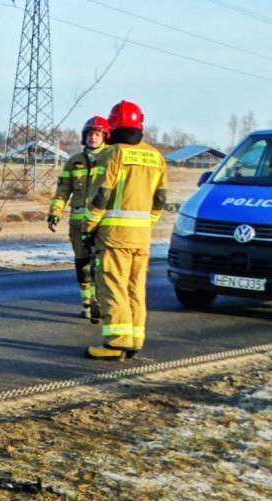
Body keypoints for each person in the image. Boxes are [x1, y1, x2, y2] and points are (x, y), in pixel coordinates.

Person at [83, 100, 168, 360]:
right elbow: (160, 200)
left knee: (113, 288)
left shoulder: (112, 153)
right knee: (135, 288)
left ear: (113, 126)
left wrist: (88, 227)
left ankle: (115, 344)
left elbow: (101, 196)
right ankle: (134, 340)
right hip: (141, 237)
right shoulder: (156, 156)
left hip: (114, 237)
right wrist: (145, 224)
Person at [48, 115, 111, 321]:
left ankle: (100, 303)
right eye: (90, 134)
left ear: (104, 137)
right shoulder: (73, 162)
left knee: (100, 266)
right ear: (84, 137)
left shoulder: (111, 159)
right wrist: (55, 211)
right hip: (78, 224)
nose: (93, 137)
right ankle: (87, 304)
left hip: (102, 224)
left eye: (97, 134)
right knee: (82, 264)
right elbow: (63, 190)